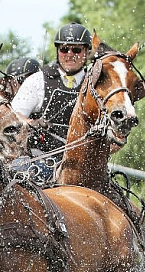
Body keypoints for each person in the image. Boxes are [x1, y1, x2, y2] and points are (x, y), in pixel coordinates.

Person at [10, 23, 92, 184]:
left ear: (87, 52)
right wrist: (31, 123)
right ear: (57, 51)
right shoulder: (38, 80)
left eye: (76, 50)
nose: (70, 54)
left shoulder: (94, 83)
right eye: (64, 49)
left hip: (84, 163)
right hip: (40, 158)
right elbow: (13, 117)